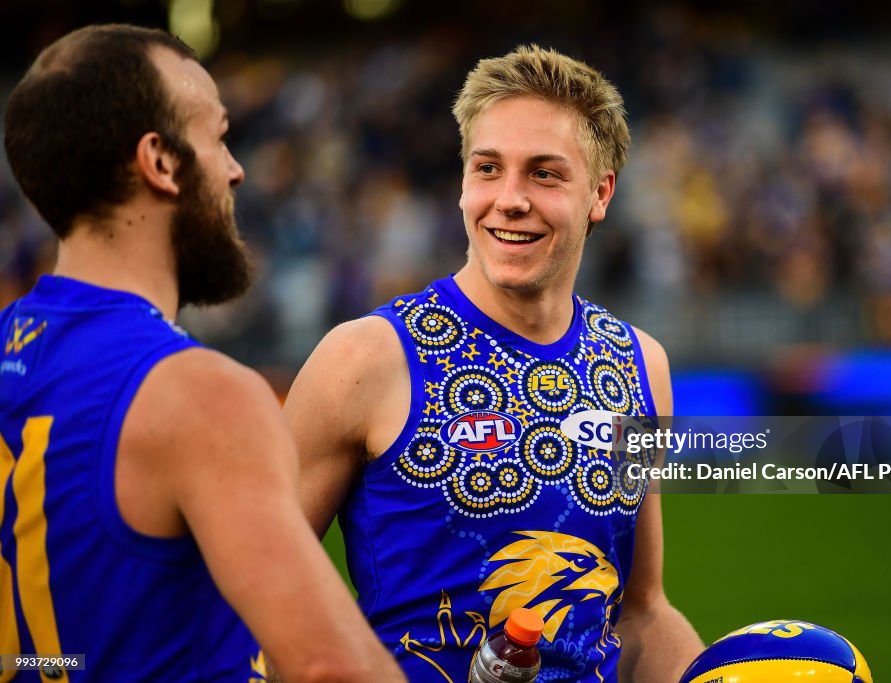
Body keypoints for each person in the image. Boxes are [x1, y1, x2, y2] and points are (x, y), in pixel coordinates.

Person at [284, 44, 703, 682]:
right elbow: (251, 598)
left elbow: (642, 610)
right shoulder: (367, 357)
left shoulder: (642, 364)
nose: (508, 199)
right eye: (487, 168)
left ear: (600, 192)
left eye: (544, 173)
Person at [0, 24, 405, 683]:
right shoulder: (199, 394)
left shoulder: (638, 361)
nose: (236, 167)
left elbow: (31, 655)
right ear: (160, 161)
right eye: (218, 137)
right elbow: (332, 665)